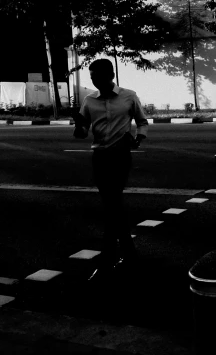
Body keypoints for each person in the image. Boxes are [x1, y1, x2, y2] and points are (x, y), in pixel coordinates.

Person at [73, 59, 148, 280]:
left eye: (98, 75)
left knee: (112, 205)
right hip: (100, 157)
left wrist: (139, 138)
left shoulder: (129, 96)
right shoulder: (89, 101)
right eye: (91, 75)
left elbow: (142, 121)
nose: (94, 79)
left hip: (120, 156)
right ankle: (128, 254)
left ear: (111, 75)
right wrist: (78, 126)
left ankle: (108, 259)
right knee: (113, 206)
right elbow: (82, 133)